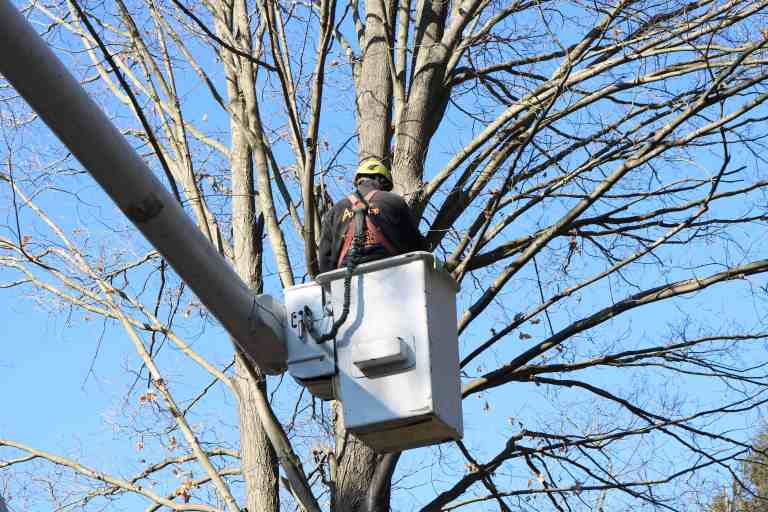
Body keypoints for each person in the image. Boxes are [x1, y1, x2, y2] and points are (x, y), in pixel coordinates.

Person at [318, 158, 426, 274]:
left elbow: (325, 259)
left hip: (346, 279)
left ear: (359, 181)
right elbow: (415, 244)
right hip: (392, 275)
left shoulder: (335, 211)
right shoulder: (394, 201)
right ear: (381, 181)